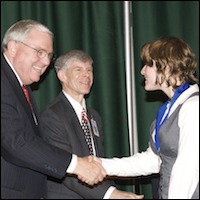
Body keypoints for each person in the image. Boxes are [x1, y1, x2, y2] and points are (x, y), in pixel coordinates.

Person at [1, 19, 107, 199]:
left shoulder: (21, 87)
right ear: (12, 47)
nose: (45, 62)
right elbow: (16, 142)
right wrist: (77, 164)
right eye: (40, 52)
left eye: (49, 55)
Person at [93, 36, 199, 199]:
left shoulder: (193, 107)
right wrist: (100, 165)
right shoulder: (168, 110)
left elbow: (188, 170)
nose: (142, 71)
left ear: (167, 67)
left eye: (148, 65)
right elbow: (153, 161)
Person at [40, 49, 144, 199]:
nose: (86, 75)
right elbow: (65, 167)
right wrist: (110, 195)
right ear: (61, 75)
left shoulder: (93, 116)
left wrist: (110, 191)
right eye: (79, 70)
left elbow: (98, 163)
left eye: (89, 70)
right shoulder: (52, 115)